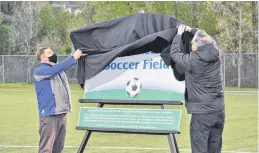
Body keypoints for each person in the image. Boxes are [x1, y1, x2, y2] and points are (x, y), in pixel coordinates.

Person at [170, 25, 225, 153]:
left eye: (194, 44)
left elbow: (175, 54)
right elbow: (205, 37)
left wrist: (178, 35)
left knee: (199, 148)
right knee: (215, 148)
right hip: (218, 111)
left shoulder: (195, 60)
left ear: (198, 46)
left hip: (202, 114)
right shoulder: (214, 50)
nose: (192, 46)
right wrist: (191, 30)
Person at [33, 47, 85, 153]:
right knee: (46, 149)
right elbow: (56, 69)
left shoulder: (56, 68)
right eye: (49, 52)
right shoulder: (40, 71)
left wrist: (77, 55)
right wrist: (74, 57)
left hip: (61, 114)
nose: (53, 54)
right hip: (49, 115)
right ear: (43, 57)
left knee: (58, 148)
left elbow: (61, 66)